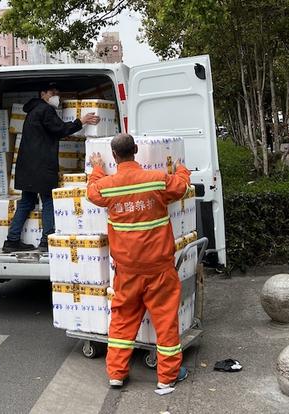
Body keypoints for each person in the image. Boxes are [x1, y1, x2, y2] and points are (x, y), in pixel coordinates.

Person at [86, 133, 191, 390]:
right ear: (135, 149)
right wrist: (181, 169)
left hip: (127, 269)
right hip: (159, 267)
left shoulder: (108, 186)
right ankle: (167, 377)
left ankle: (116, 373)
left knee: (122, 319)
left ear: (114, 156)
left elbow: (92, 192)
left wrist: (97, 169)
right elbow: (180, 186)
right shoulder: (156, 180)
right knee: (165, 321)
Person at [2, 82, 100, 253]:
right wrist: (81, 121)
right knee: (48, 201)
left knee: (26, 202)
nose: (56, 96)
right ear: (43, 94)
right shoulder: (45, 110)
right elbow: (60, 129)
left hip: (27, 166)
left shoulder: (32, 110)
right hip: (41, 166)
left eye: (58, 92)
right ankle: (46, 241)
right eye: (52, 92)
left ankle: (11, 241)